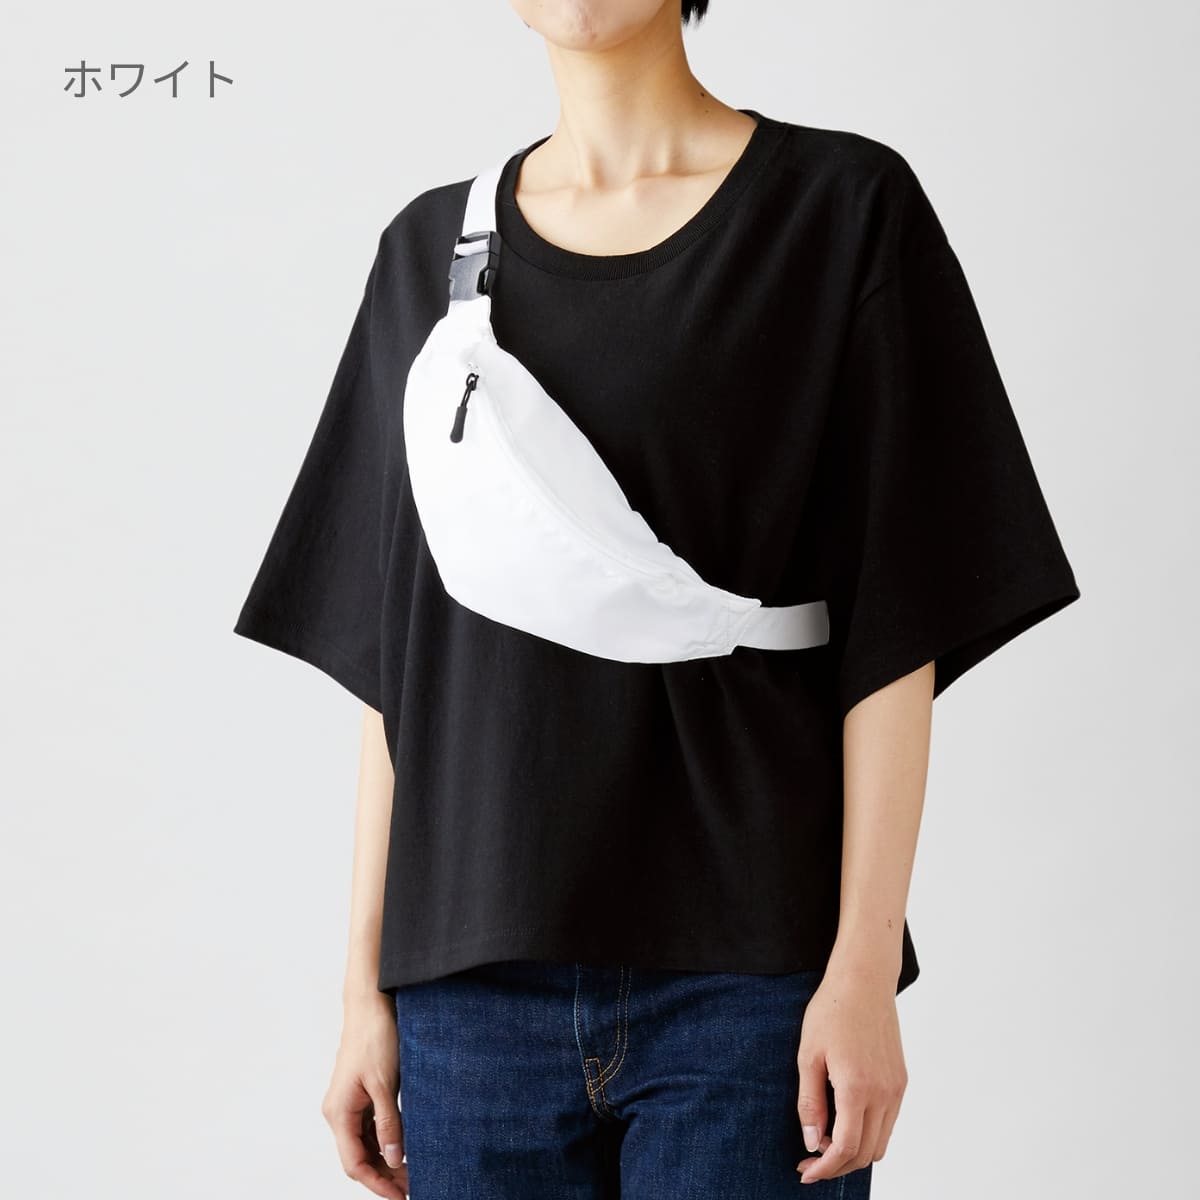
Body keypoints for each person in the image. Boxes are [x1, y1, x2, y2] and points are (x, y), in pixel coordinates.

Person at [232, 1, 1082, 1196]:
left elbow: (898, 624)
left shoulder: (839, 210)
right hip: (471, 998)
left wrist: (861, 970)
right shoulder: (427, 253)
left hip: (752, 982)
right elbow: (404, 668)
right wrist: (362, 993)